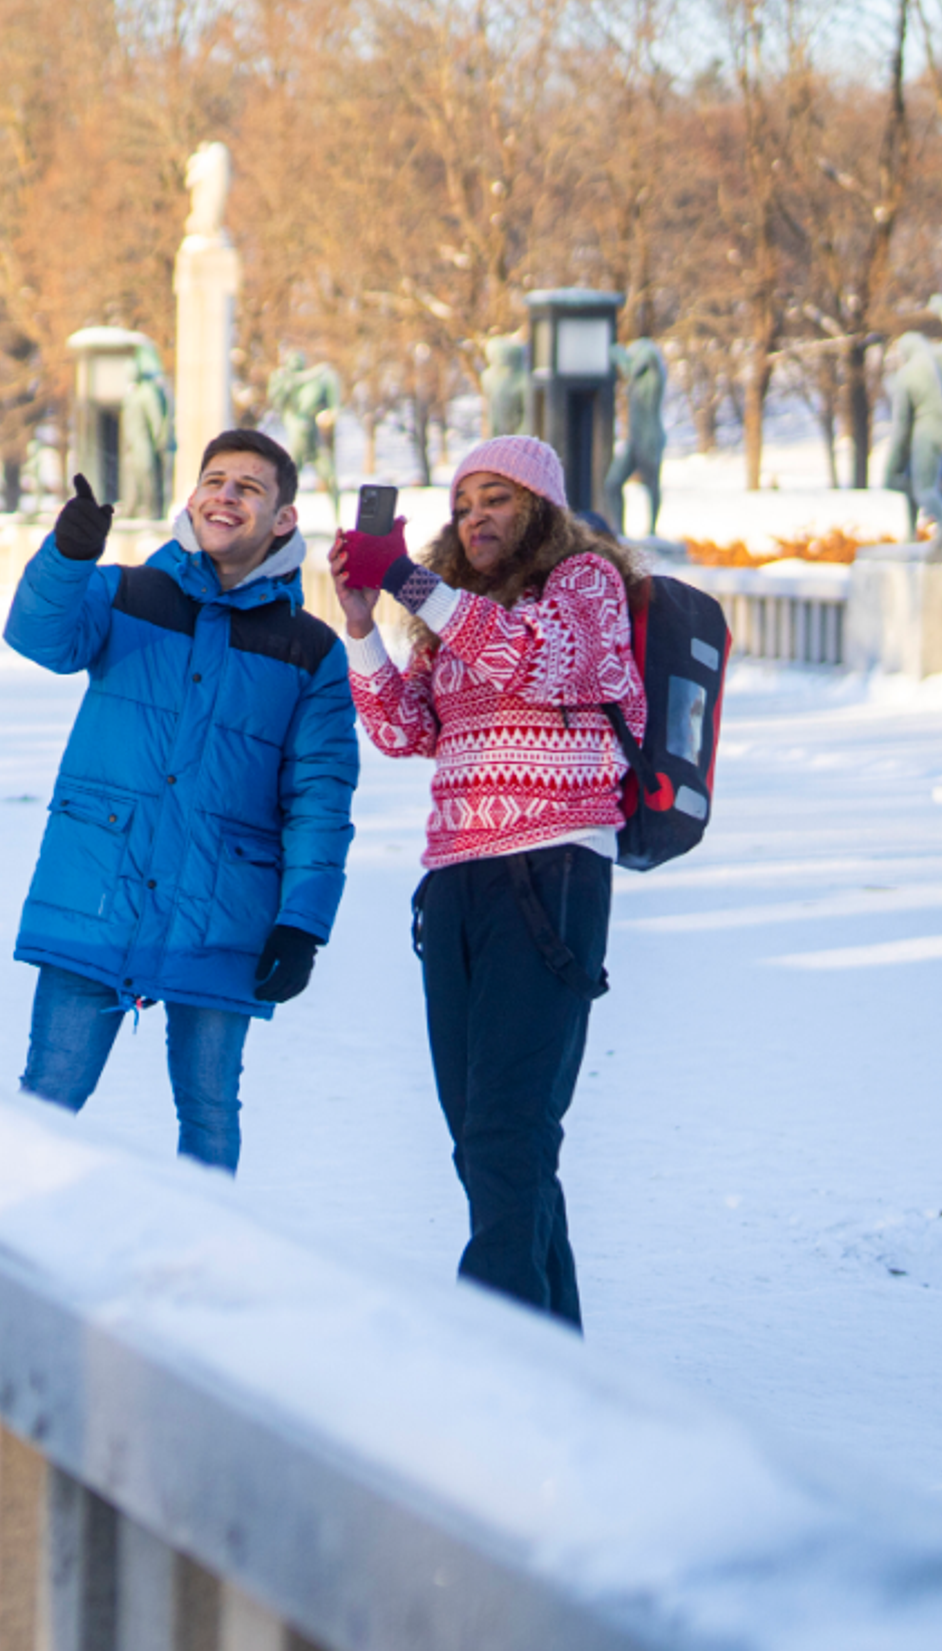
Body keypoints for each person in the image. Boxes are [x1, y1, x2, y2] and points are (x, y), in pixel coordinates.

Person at [331, 436, 642, 1329]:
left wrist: (414, 584)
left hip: (551, 871)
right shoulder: (461, 618)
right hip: (458, 880)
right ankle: (557, 1356)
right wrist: (363, 624)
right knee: (487, 1142)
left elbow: (538, 663)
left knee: (510, 1135)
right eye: (464, 504)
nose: (476, 518)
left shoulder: (584, 588)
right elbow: (403, 729)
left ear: (540, 510)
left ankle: (494, 1362)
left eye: (497, 498)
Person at [5, 429, 358, 1174]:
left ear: (283, 519)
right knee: (47, 1096)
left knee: (209, 1112)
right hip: (99, 888)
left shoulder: (312, 651)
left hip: (221, 908)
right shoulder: (125, 592)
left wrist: (302, 924)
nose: (225, 496)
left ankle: (208, 1274)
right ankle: (7, 1255)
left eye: (249, 488)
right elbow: (40, 637)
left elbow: (321, 796)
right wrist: (68, 556)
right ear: (192, 497)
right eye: (215, 481)